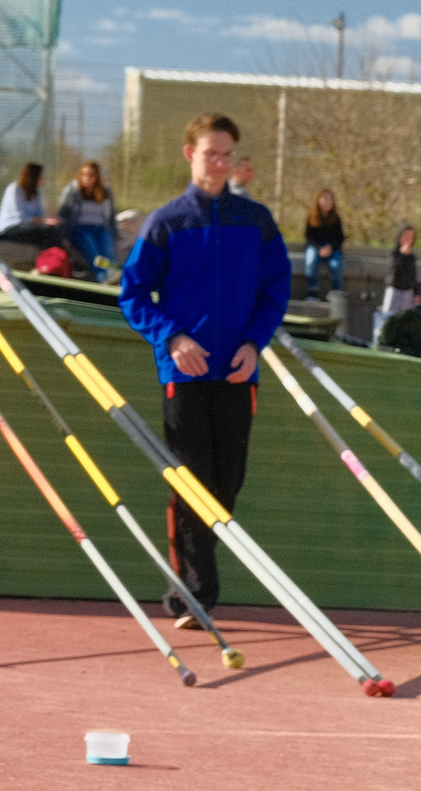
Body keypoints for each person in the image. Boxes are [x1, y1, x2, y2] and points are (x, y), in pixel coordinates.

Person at [117, 114, 291, 626]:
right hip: (185, 374)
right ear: (189, 154)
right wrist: (171, 337)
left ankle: (199, 583)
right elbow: (132, 295)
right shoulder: (166, 222)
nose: (219, 163)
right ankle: (193, 594)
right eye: (210, 153)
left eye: (226, 154)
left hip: (238, 372)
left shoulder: (256, 221)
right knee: (191, 481)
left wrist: (255, 344)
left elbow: (276, 290)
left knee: (227, 482)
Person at [55, 161, 118, 278]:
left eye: (91, 175)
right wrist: (63, 237)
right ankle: (103, 277)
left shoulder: (105, 191)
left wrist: (115, 234)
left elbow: (111, 216)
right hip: (80, 229)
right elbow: (63, 215)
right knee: (93, 250)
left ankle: (113, 274)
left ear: (97, 177)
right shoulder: (73, 190)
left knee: (107, 249)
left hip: (101, 228)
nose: (87, 178)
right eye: (83, 174)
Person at [372, 224, 419, 342]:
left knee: (405, 321)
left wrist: (416, 293)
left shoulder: (412, 257)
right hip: (394, 290)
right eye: (406, 236)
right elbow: (393, 273)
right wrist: (403, 255)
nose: (408, 239)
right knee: (387, 318)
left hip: (408, 292)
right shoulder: (394, 254)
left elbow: (413, 276)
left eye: (411, 237)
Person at [301, 189, 345, 302]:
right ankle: (313, 291)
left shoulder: (336, 219)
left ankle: (335, 293)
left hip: (331, 248)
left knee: (335, 265)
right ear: (318, 201)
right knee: (310, 260)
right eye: (324, 199)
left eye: (329, 199)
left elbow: (340, 238)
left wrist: (330, 248)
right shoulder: (311, 217)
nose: (327, 202)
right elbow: (309, 237)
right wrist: (319, 249)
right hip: (315, 247)